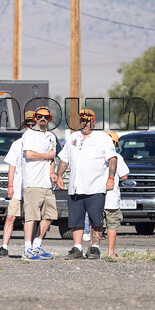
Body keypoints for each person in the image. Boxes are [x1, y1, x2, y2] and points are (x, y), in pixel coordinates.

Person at [55, 108, 117, 260]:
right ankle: (77, 248)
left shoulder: (102, 138)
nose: (85, 123)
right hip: (75, 187)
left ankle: (94, 247)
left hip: (95, 187)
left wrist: (111, 178)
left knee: (96, 220)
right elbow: (64, 158)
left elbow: (112, 159)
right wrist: (59, 175)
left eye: (88, 121)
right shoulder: (73, 137)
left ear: (94, 122)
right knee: (76, 220)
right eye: (82, 120)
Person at [0, 111, 36, 258]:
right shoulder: (17, 144)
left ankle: (30, 247)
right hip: (18, 187)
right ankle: (4, 246)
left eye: (33, 124)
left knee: (31, 218)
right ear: (24, 126)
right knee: (11, 217)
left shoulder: (41, 142)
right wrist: (10, 186)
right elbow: (11, 166)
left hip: (34, 186)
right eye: (28, 124)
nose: (30, 127)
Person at [19, 107, 58, 260]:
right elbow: (29, 154)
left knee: (49, 215)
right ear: (35, 118)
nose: (42, 119)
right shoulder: (29, 134)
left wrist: (52, 173)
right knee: (31, 216)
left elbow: (52, 158)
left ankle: (37, 245)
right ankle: (27, 249)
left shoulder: (51, 136)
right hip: (33, 181)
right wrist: (46, 155)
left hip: (46, 182)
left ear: (49, 119)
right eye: (40, 116)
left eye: (45, 117)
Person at [104, 131, 129, 258]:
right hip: (111, 198)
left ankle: (93, 249)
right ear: (114, 143)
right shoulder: (117, 157)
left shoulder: (96, 155)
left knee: (96, 225)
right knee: (112, 224)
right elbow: (124, 176)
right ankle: (110, 252)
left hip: (96, 196)